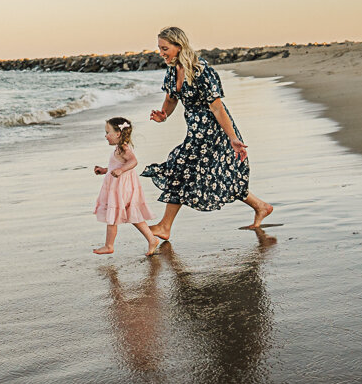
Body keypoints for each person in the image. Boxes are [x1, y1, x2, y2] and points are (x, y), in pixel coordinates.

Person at [142, 26, 275, 240]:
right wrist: (163, 115)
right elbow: (171, 98)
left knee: (180, 168)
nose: (161, 53)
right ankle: (261, 206)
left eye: (165, 48)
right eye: (159, 48)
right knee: (217, 175)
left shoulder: (201, 70)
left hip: (214, 130)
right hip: (196, 130)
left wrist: (233, 138)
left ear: (179, 46)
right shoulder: (172, 69)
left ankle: (165, 226)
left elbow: (217, 107)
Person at [93, 117, 163, 256]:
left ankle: (109, 245)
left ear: (118, 133)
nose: (105, 136)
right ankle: (152, 239)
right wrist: (104, 170)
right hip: (121, 186)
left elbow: (133, 161)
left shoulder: (123, 148)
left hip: (120, 188)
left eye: (108, 132)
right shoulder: (119, 148)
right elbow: (116, 165)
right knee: (133, 215)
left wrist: (121, 170)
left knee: (112, 216)